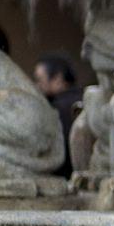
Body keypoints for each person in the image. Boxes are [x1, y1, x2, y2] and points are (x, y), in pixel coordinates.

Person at [33, 51, 82, 179]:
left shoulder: (57, 109)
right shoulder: (83, 99)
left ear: (58, 79)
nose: (36, 86)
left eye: (39, 80)